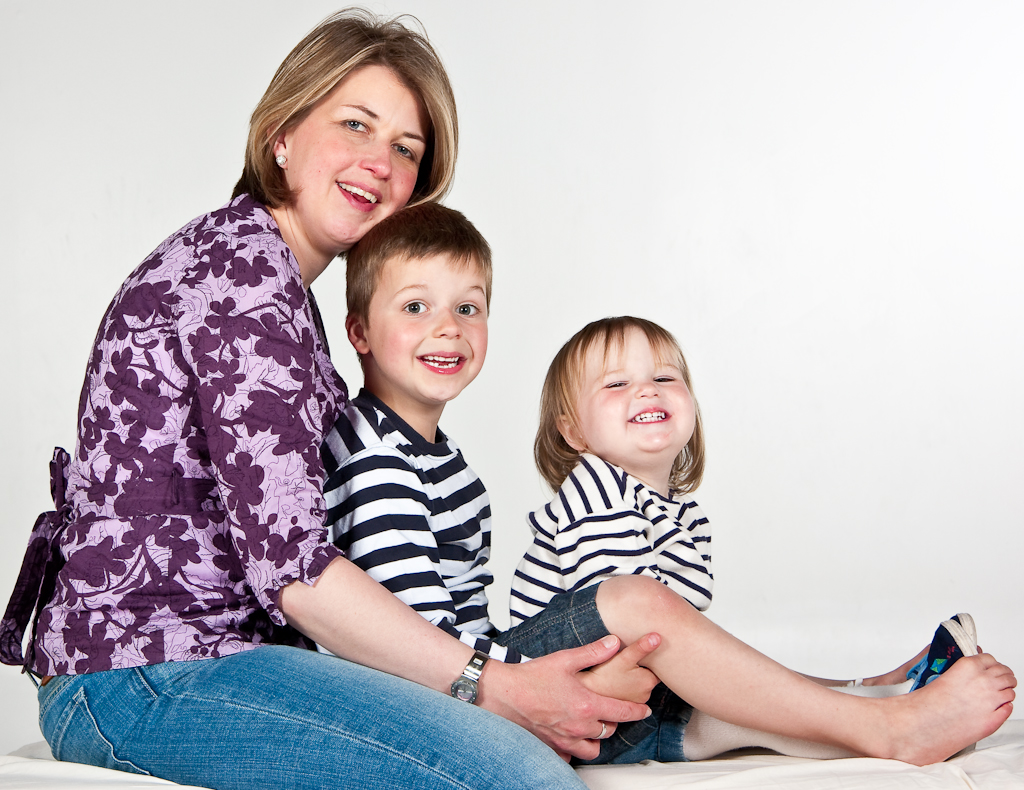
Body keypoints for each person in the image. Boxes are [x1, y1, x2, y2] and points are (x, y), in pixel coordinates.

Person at [0, 12, 653, 790]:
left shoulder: (276, 283)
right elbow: (297, 574)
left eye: (405, 149)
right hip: (141, 673)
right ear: (282, 131)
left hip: (212, 660)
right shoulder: (242, 276)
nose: (379, 163)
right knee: (514, 774)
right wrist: (490, 683)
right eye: (355, 125)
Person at [326, 293, 1015, 766]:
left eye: (663, 377)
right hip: (561, 686)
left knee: (748, 710)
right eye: (615, 385)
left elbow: (689, 652)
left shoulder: (675, 511)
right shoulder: (594, 496)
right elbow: (642, 632)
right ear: (572, 430)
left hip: (635, 701)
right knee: (645, 610)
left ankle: (878, 694)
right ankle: (889, 723)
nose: (646, 392)